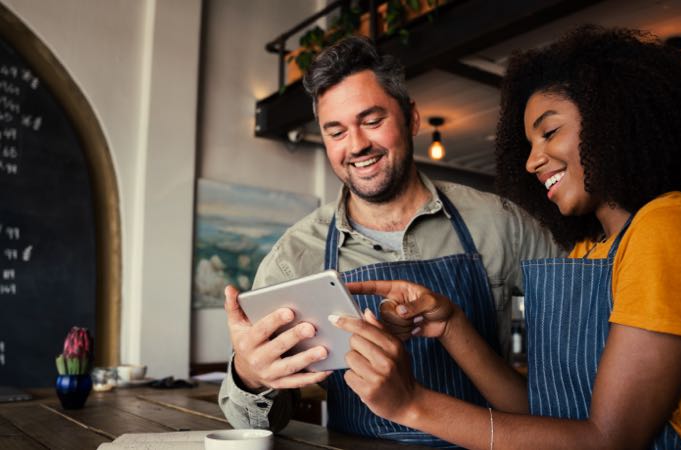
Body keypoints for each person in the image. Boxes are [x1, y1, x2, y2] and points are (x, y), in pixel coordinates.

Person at [331, 26, 681, 449]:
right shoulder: (592, 249)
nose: (532, 161)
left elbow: (609, 439)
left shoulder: (668, 226)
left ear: (613, 120)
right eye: (529, 143)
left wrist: (411, 405)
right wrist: (452, 325)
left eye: (549, 133)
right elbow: (541, 418)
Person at [218, 35, 561, 447]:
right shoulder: (295, 256)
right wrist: (250, 376)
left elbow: (581, 347)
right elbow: (256, 427)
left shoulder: (501, 223)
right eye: (336, 131)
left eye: (372, 120)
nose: (357, 145)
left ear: (411, 118)